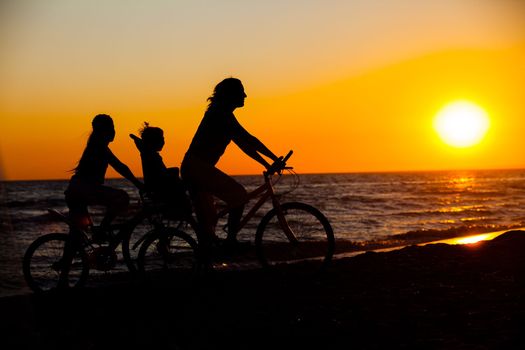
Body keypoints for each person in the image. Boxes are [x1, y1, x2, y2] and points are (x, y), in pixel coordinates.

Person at [181, 77, 280, 256]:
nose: (245, 95)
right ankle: (231, 241)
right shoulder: (220, 113)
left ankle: (206, 260)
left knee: (209, 222)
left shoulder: (222, 113)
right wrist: (272, 160)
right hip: (197, 168)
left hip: (196, 167)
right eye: (241, 91)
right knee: (239, 195)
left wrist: (269, 162)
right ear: (231, 95)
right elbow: (247, 139)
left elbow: (244, 144)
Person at [65, 114, 144, 240]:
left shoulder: (95, 145)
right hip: (84, 190)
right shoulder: (99, 147)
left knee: (76, 234)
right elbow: (120, 167)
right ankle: (102, 230)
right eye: (111, 128)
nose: (113, 131)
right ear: (103, 131)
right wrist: (138, 184)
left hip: (74, 190)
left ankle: (66, 259)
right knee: (122, 197)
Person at [131, 122, 191, 218]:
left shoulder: (149, 153)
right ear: (153, 141)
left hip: (158, 184)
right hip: (160, 186)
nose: (163, 141)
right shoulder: (150, 155)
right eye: (161, 139)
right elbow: (160, 175)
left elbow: (141, 144)